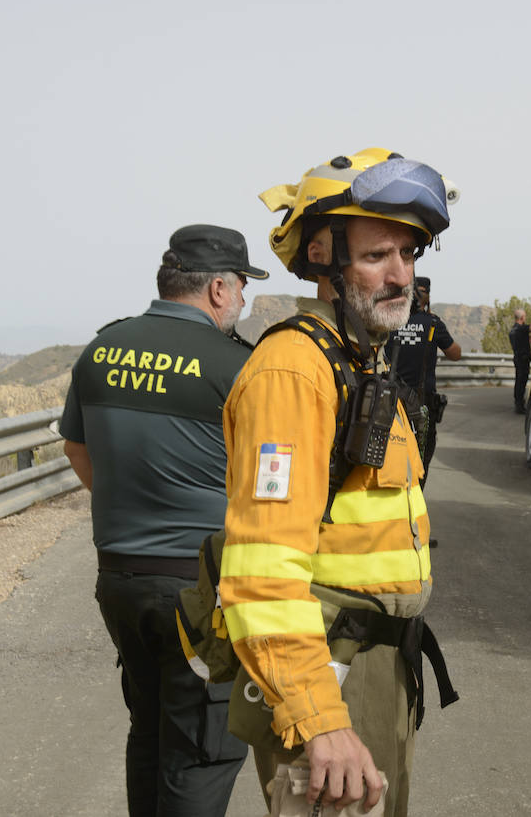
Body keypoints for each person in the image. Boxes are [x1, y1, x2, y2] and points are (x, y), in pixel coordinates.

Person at [221, 148, 459, 817]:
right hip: (330, 677)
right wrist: (322, 720)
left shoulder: (359, 360)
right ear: (322, 254)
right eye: (378, 255)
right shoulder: (294, 371)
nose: (400, 275)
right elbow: (261, 575)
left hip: (377, 670)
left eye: (409, 255)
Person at [59, 225, 263, 816]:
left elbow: (76, 449)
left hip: (120, 580)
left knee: (148, 729)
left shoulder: (102, 349)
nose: (244, 300)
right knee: (202, 747)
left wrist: (135, 503)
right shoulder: (237, 366)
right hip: (199, 589)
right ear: (220, 289)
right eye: (243, 287)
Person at [386, 276, 462, 486]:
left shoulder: (389, 320)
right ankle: (415, 499)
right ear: (426, 297)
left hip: (391, 400)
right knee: (421, 458)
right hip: (422, 405)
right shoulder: (433, 324)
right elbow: (456, 353)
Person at [509, 308, 531, 413]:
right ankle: (519, 405)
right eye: (525, 316)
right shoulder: (521, 329)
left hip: (517, 357)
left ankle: (518, 402)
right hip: (523, 359)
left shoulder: (513, 330)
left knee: (518, 380)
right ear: (522, 317)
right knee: (522, 381)